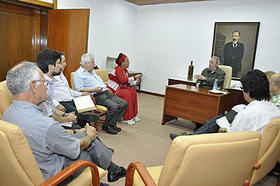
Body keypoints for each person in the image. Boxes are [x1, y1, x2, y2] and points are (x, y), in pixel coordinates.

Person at [2, 62, 126, 185]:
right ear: (33, 86)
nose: (46, 87)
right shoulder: (47, 125)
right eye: (44, 82)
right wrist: (89, 136)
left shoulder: (7, 114)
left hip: (35, 165)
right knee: (87, 151)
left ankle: (112, 170)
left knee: (84, 137)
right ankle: (101, 177)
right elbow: (74, 149)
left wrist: (81, 132)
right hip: (54, 176)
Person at [170, 69, 280, 140]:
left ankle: (187, 139)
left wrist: (225, 128)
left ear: (248, 92)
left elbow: (231, 139)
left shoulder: (246, 115)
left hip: (242, 152)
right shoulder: (275, 108)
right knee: (220, 118)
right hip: (260, 145)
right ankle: (190, 137)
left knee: (219, 122)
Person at [36, 49, 99, 128]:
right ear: (51, 66)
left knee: (84, 109)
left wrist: (64, 115)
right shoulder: (43, 85)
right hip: (60, 105)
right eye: (59, 63)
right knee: (77, 125)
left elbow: (51, 107)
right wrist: (66, 117)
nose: (65, 64)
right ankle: (83, 123)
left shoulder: (55, 78)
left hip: (66, 103)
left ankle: (85, 123)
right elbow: (48, 114)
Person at [73, 53, 128, 135]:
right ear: (86, 63)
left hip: (105, 91)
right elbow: (79, 89)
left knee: (123, 103)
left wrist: (106, 87)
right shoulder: (78, 74)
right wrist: (93, 90)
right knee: (114, 106)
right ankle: (106, 126)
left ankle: (112, 123)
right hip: (96, 95)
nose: (94, 64)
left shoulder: (92, 71)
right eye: (92, 62)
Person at [107, 53, 142, 125]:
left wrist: (135, 83)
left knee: (133, 91)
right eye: (127, 61)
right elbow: (123, 81)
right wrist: (135, 77)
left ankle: (134, 115)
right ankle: (127, 118)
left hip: (120, 87)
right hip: (113, 89)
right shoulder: (117, 69)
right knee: (127, 94)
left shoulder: (125, 70)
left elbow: (125, 82)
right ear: (122, 62)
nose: (129, 63)